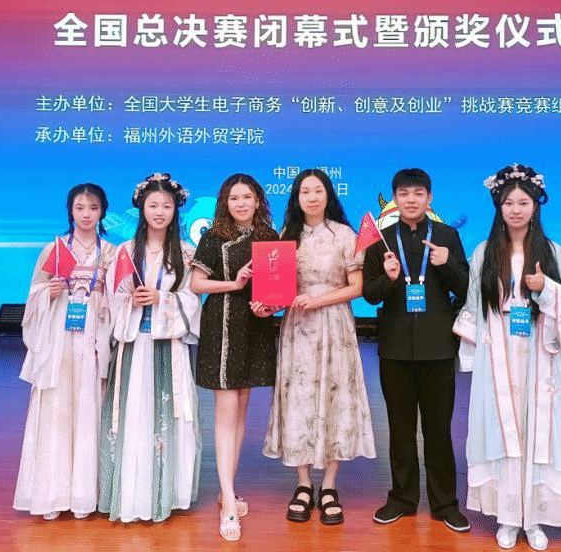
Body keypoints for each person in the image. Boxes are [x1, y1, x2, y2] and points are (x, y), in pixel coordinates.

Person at [453, 164, 561, 551]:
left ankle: (535, 517)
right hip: (498, 351)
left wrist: (545, 289)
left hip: (540, 352)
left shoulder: (555, 253)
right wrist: (476, 355)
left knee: (538, 429)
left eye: (523, 202)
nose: (516, 210)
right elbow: (473, 304)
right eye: (509, 203)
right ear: (499, 206)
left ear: (536, 205)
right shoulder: (485, 252)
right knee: (502, 429)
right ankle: (509, 517)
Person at [263, 169, 376, 525]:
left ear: (329, 195)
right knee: (297, 400)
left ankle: (328, 486)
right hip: (297, 328)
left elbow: (357, 287)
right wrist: (266, 304)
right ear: (296, 198)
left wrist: (319, 300)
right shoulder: (286, 236)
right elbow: (278, 291)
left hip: (334, 325)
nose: (312, 197)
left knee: (334, 398)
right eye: (305, 192)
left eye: (318, 191)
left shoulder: (343, 234)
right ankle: (302, 484)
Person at [362, 167, 471, 533]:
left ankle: (445, 504)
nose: (411, 200)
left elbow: (466, 287)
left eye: (418, 193)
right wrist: (390, 278)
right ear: (395, 199)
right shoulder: (382, 238)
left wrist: (447, 264)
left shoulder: (447, 236)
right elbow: (370, 294)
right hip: (395, 348)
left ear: (429, 198)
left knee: (439, 431)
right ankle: (401, 499)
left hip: (438, 348)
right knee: (401, 429)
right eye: (404, 194)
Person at [98, 173, 202, 522]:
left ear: (175, 210)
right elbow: (112, 298)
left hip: (167, 347)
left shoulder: (187, 253)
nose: (159, 212)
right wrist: (130, 301)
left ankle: (166, 492)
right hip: (133, 345)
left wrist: (163, 298)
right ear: (142, 209)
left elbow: (193, 300)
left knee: (167, 416)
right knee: (132, 415)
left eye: (166, 206)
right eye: (153, 205)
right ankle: (130, 493)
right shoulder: (125, 252)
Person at [14, 183, 116, 520]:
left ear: (103, 212)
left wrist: (104, 296)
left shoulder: (111, 253)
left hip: (93, 339)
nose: (86, 215)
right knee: (57, 410)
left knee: (91, 408)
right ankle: (52, 494)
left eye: (93, 208)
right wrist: (50, 292)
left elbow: (121, 298)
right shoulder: (54, 249)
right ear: (70, 211)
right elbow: (33, 296)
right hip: (59, 341)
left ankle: (86, 494)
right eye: (79, 208)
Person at [190, 173, 279, 541]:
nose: (241, 204)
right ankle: (227, 499)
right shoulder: (214, 237)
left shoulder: (270, 237)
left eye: (247, 197)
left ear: (258, 200)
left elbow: (277, 289)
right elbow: (196, 284)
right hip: (223, 326)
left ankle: (229, 487)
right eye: (234, 198)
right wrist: (235, 283)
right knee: (225, 415)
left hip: (255, 327)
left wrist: (270, 305)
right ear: (224, 203)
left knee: (240, 413)